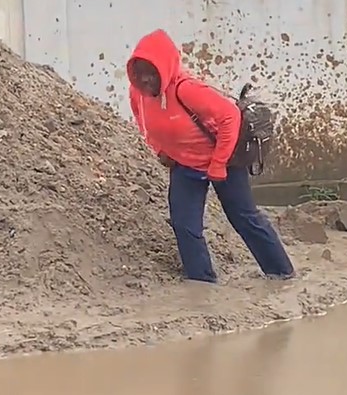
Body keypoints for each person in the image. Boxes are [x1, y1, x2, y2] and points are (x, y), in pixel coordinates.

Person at [126, 29, 295, 283]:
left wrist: (218, 164)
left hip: (223, 160)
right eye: (139, 73)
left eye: (152, 73)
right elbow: (143, 122)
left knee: (244, 217)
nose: (146, 80)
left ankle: (282, 272)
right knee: (184, 225)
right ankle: (202, 282)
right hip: (185, 166)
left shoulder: (187, 90)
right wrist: (160, 150)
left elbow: (230, 117)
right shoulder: (138, 94)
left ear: (165, 68)